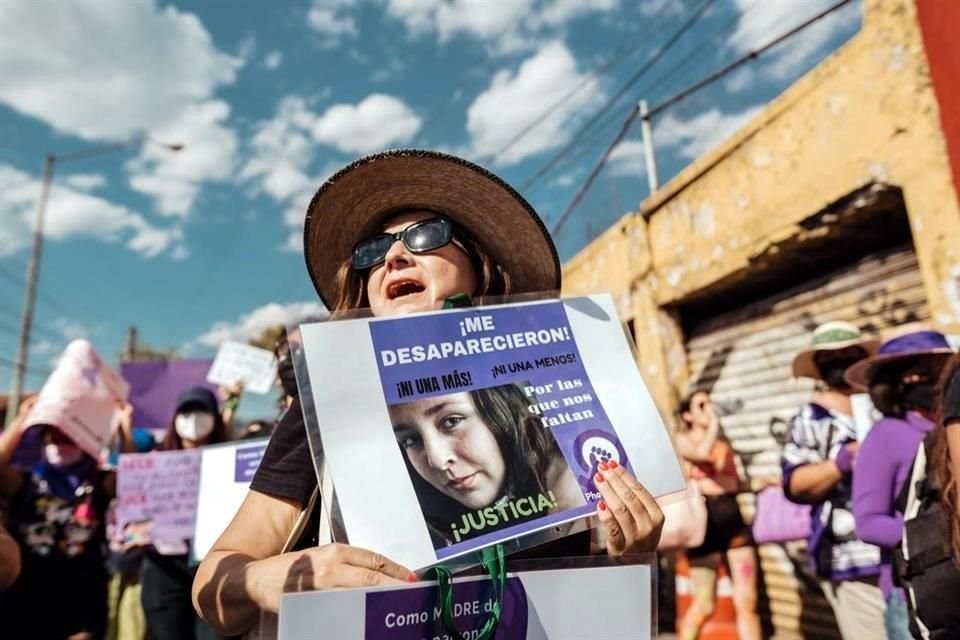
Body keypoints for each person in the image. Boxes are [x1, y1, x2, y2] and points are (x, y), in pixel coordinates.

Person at [192, 149, 665, 635]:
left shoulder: (560, 411)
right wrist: (268, 579)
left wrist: (633, 553)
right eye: (372, 251)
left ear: (480, 265)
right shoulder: (329, 403)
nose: (393, 256)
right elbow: (213, 586)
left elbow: (609, 621)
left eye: (425, 235)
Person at [781, 321, 887, 640]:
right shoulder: (810, 419)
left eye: (847, 355)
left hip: (900, 549)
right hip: (850, 557)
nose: (839, 363)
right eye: (830, 358)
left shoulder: (882, 405)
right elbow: (795, 483)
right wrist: (840, 464)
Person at [848, 325, 953, 639]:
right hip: (914, 590)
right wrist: (943, 535)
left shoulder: (952, 428)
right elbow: (868, 523)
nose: (929, 382)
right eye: (916, 374)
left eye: (937, 372)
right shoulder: (885, 436)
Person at [390, 384, 583, 546]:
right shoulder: (416, 531)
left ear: (500, 412)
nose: (438, 461)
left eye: (451, 421)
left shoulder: (575, 482)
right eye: (410, 440)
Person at [0, 395, 112, 640]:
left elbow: (136, 474)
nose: (60, 442)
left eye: (69, 437)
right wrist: (22, 419)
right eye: (54, 435)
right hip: (26, 595)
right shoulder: (26, 480)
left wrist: (123, 427)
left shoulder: (97, 480)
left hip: (82, 596)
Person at [138, 386, 227, 640]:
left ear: (215, 418)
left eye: (202, 411)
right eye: (187, 412)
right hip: (164, 567)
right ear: (175, 419)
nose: (194, 419)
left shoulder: (230, 459)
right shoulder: (154, 461)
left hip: (214, 565)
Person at [673, 390, 760, 640]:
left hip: (732, 524)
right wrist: (714, 424)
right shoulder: (680, 440)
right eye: (702, 405)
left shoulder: (723, 445)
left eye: (710, 403)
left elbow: (733, 483)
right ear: (687, 414)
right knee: (704, 605)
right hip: (703, 529)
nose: (709, 408)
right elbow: (701, 453)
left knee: (747, 602)